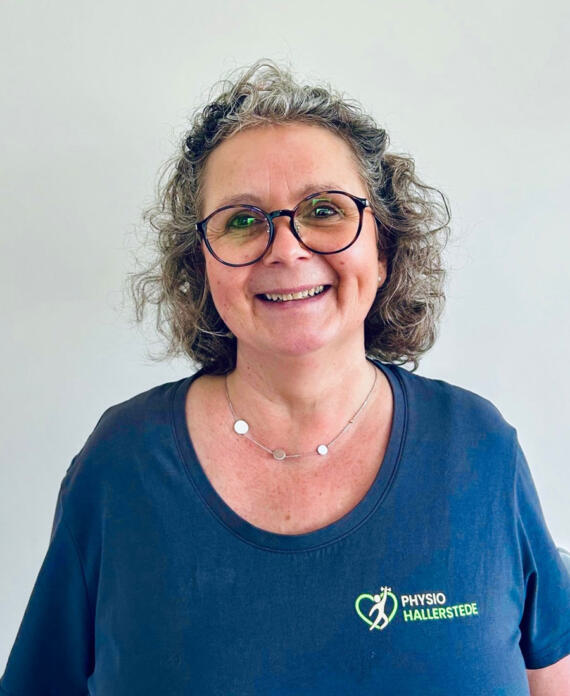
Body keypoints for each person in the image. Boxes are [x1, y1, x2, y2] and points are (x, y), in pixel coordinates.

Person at [1, 59, 569, 695]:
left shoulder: (479, 449)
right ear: (201, 266)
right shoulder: (122, 464)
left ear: (383, 248)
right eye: (242, 220)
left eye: (324, 209)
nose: (287, 248)